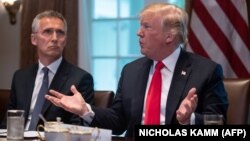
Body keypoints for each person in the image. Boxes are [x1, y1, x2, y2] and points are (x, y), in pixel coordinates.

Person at [45, 3, 228, 137]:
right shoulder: (131, 71)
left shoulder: (206, 71)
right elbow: (118, 122)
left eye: (146, 27)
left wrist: (189, 120)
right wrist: (85, 110)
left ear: (169, 36)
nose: (138, 32)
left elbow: (220, 126)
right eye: (140, 26)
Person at [0, 10, 94, 130]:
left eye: (60, 33)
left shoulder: (80, 79)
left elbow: (78, 128)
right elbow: (8, 124)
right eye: (47, 32)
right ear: (34, 39)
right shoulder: (20, 77)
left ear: (65, 40)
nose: (55, 38)